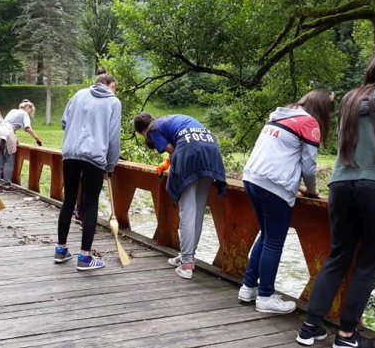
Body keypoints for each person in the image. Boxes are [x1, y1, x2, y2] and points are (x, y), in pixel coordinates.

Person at [296, 52, 375, 348]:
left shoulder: (350, 100)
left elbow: (343, 143)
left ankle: (309, 328)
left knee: (338, 255)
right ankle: (347, 335)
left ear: (371, 71)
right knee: (367, 263)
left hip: (341, 183)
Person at [237, 89, 334, 314]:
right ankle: (266, 296)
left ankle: (248, 286)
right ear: (322, 108)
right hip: (274, 185)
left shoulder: (280, 115)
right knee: (274, 241)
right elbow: (309, 167)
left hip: (252, 178)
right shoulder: (309, 123)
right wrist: (311, 191)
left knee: (266, 234)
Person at [134, 112, 227, 279]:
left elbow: (174, 150)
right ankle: (187, 256)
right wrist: (170, 161)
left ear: (142, 132)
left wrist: (168, 163)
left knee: (187, 212)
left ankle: (186, 264)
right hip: (211, 153)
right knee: (198, 212)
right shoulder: (169, 120)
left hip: (191, 153)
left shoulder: (152, 130)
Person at [54, 70, 121, 271]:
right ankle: (84, 257)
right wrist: (110, 165)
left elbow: (64, 122)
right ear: (110, 85)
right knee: (91, 204)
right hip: (94, 157)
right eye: (115, 88)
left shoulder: (78, 94)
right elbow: (113, 136)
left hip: (70, 154)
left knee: (69, 200)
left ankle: (61, 249)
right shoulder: (113, 102)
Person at [0, 100, 42, 191]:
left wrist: (16, 139)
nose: (30, 113)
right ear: (28, 108)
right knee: (9, 161)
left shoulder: (12, 111)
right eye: (31, 111)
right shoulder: (24, 114)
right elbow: (27, 128)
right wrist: (37, 139)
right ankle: (7, 185)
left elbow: (10, 125)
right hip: (8, 133)